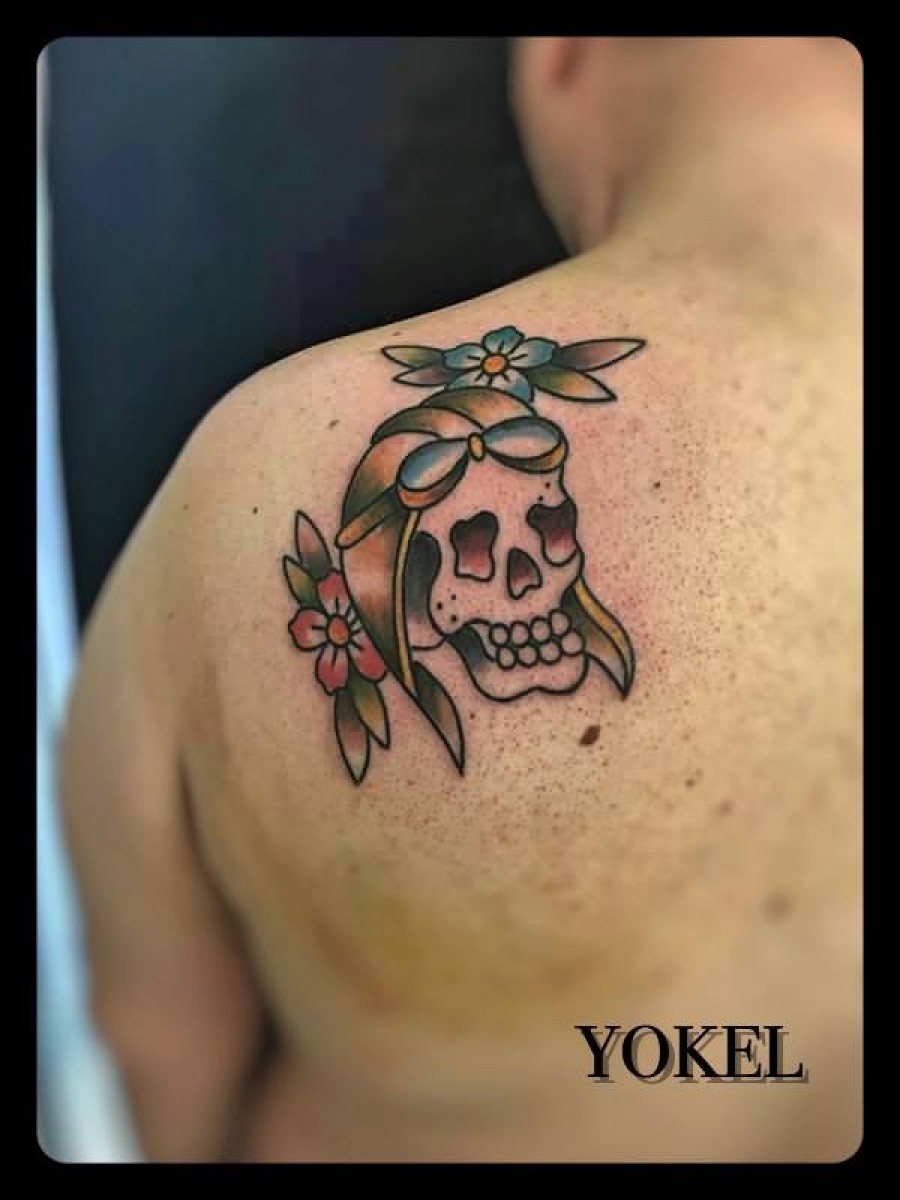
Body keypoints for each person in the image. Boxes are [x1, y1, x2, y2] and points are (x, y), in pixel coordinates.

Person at [59, 37, 862, 1162]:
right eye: (481, 547)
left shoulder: (267, 484)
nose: (526, 574)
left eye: (540, 534)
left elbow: (158, 1038)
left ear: (565, 55)